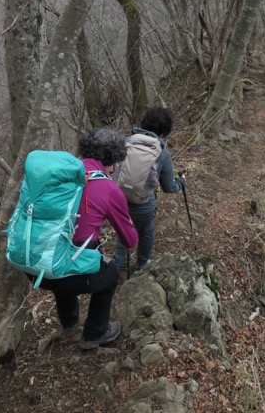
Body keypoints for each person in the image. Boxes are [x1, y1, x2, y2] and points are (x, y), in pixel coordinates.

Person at [37, 128, 137, 351]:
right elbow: (130, 241)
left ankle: (70, 324)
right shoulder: (108, 187)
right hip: (64, 272)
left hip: (37, 265)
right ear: (111, 162)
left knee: (63, 253)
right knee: (109, 274)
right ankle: (95, 332)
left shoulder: (61, 174)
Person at [114, 107, 185, 272]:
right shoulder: (163, 153)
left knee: (122, 228)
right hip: (144, 204)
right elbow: (169, 187)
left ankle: (119, 261)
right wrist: (181, 182)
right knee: (146, 231)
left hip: (119, 200)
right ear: (163, 134)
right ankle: (142, 264)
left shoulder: (125, 142)